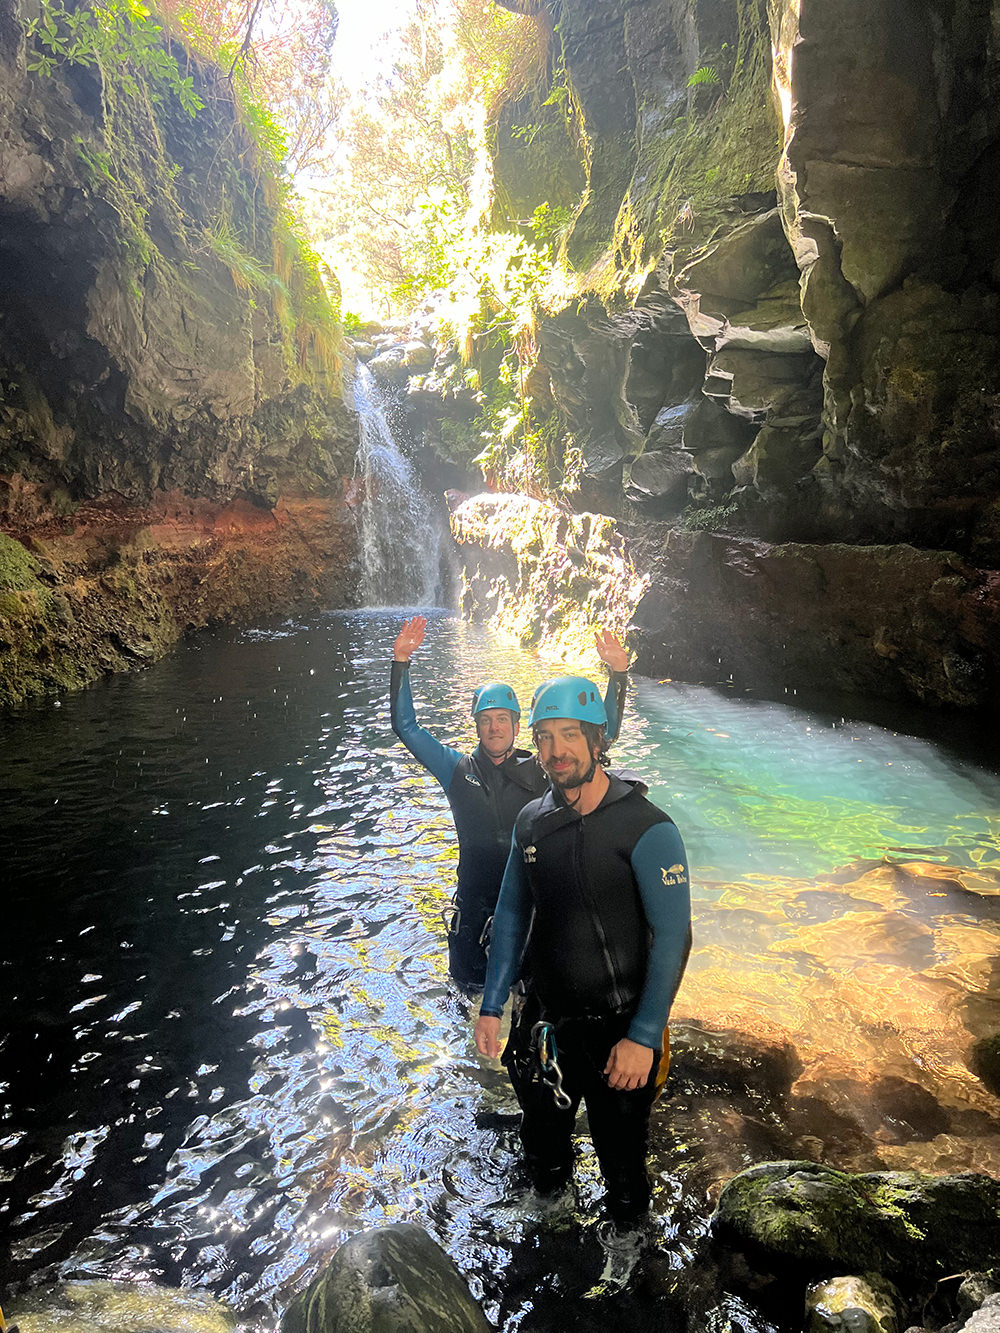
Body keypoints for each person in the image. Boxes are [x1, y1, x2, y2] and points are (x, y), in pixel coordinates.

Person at [474, 674, 691, 1228]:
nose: (556, 750)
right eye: (545, 737)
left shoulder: (646, 828)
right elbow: (512, 914)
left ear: (599, 742)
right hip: (547, 1022)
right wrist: (495, 1004)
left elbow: (673, 936)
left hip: (619, 1027)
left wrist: (643, 1037)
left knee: (622, 1159)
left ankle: (627, 1241)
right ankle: (550, 1206)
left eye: (570, 735)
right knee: (542, 1138)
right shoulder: (532, 822)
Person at [390, 618, 628, 992]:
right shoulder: (456, 769)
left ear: (518, 727)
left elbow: (602, 739)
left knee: (531, 1006)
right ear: (477, 727)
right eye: (486, 720)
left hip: (532, 910)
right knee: (469, 1001)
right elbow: (407, 727)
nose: (494, 727)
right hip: (474, 907)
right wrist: (401, 661)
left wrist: (618, 674)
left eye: (503, 719)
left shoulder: (542, 768)